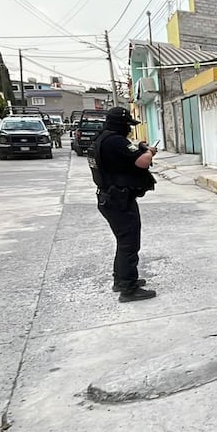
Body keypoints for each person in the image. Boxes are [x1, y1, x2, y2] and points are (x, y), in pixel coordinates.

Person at [89, 107, 157, 302]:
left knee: (123, 241)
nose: (129, 129)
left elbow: (124, 158)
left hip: (109, 198)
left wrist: (139, 149)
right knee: (129, 243)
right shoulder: (116, 141)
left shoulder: (101, 138)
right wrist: (150, 152)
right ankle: (128, 288)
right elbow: (142, 162)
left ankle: (121, 280)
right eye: (128, 125)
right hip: (118, 199)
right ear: (121, 124)